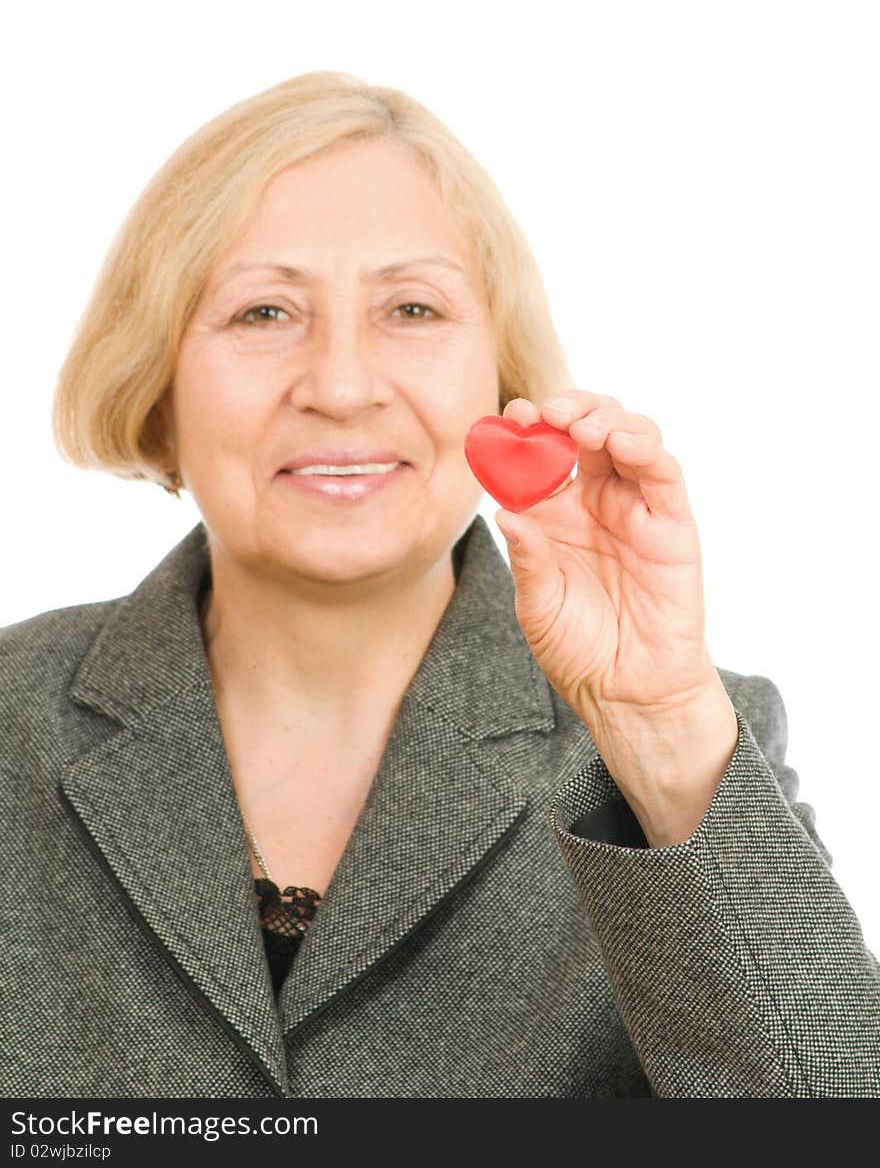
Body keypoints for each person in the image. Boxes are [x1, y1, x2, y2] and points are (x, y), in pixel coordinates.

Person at [2, 71, 878, 1099]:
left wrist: (657, 730)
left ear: (500, 381)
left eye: (411, 308)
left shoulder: (681, 744)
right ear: (156, 382)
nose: (338, 386)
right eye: (263, 312)